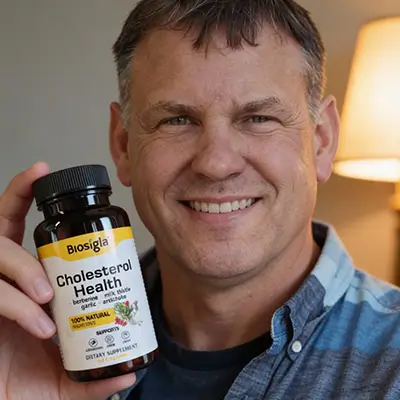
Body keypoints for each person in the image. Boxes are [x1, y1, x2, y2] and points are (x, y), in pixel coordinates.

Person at [1, 0, 400, 399]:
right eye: (177, 120)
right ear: (123, 146)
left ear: (322, 141)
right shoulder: (39, 349)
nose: (216, 164)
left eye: (258, 118)